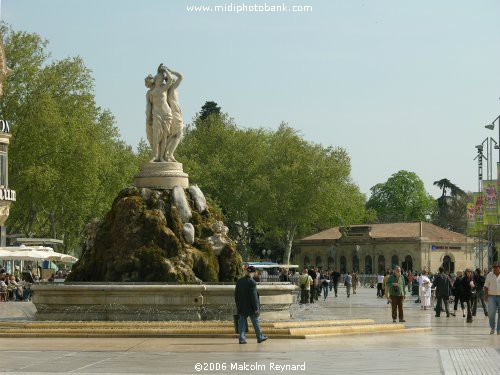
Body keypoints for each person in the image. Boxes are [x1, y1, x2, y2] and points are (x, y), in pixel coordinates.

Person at [145, 65, 174, 162]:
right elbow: (149, 107)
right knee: (156, 136)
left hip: (166, 114)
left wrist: (165, 70)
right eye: (160, 79)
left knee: (165, 136)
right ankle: (154, 156)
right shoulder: (151, 93)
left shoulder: (164, 89)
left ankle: (162, 156)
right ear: (156, 80)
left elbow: (170, 80)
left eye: (162, 79)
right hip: (156, 114)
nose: (161, 81)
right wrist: (148, 118)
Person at [234, 266, 268, 344]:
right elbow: (254, 297)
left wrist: (238, 305)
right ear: (253, 272)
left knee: (242, 323)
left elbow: (236, 295)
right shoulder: (252, 282)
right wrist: (256, 308)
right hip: (251, 307)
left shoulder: (239, 281)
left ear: (247, 272)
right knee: (255, 322)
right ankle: (259, 337)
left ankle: (242, 338)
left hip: (242, 306)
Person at [484, 261, 500, 334]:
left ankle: (499, 329)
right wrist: (486, 295)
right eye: (493, 267)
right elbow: (486, 286)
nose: (494, 268)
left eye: (496, 267)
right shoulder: (490, 275)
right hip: (491, 297)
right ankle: (492, 327)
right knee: (491, 313)